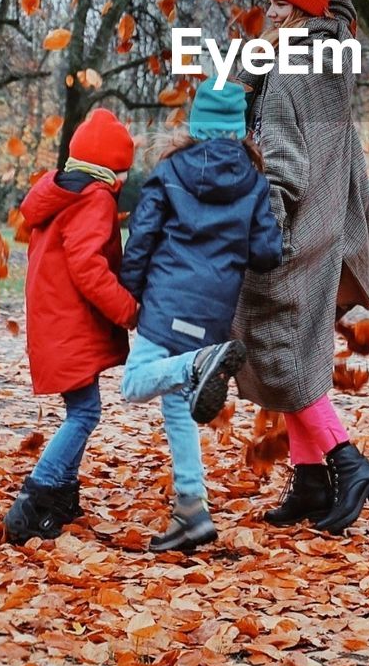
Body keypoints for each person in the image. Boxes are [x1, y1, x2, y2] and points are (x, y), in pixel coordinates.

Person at [232, 0, 369, 534]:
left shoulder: (288, 75)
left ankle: (348, 464)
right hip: (332, 229)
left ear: (293, 12)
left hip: (292, 235)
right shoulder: (332, 45)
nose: (271, 17)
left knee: (277, 355)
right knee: (294, 358)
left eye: (278, 7)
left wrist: (256, 238)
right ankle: (309, 482)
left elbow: (285, 174)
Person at [118, 77, 283, 552]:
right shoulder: (253, 183)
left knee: (135, 384)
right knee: (176, 405)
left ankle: (195, 366)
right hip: (212, 316)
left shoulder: (169, 172)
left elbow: (142, 240)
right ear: (238, 129)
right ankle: (192, 507)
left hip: (167, 304)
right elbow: (267, 252)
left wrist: (130, 297)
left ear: (196, 124)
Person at [3, 108, 138, 544]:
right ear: (112, 167)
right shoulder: (94, 199)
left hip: (55, 322)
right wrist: (128, 309)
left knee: (82, 410)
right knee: (85, 413)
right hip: (69, 324)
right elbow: (88, 268)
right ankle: (36, 496)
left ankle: (61, 493)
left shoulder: (61, 193)